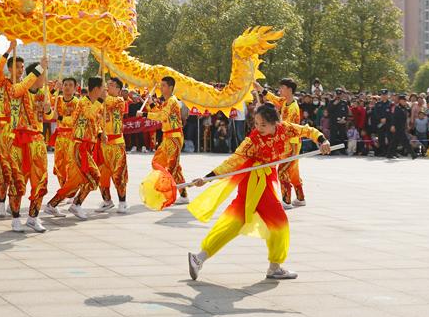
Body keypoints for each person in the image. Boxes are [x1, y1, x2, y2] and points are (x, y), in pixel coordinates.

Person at [187, 104, 331, 281]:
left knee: (235, 222)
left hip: (266, 180)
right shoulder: (252, 141)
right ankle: (275, 267)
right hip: (256, 183)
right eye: (256, 123)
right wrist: (207, 178)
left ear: (275, 123)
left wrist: (322, 141)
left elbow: (307, 131)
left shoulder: (286, 129)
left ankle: (199, 258)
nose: (258, 128)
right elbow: (233, 161)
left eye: (263, 125)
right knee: (279, 222)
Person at [44, 76, 105, 220]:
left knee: (77, 180)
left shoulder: (92, 103)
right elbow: (89, 114)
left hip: (86, 146)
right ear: (96, 89)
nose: (104, 91)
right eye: (102, 88)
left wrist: (101, 133)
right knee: (93, 177)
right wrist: (101, 100)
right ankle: (75, 204)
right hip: (78, 145)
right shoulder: (84, 103)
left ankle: (54, 205)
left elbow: (95, 123)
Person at [6, 60, 52, 232]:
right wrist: (39, 67)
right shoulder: (18, 89)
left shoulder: (44, 92)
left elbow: (49, 116)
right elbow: (17, 90)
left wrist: (48, 110)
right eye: (42, 75)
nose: (44, 79)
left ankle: (33, 217)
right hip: (19, 140)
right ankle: (16, 217)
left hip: (38, 142)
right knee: (17, 180)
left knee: (40, 180)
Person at [255, 78, 304, 209]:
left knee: (283, 170)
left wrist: (293, 150)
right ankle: (300, 198)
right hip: (286, 142)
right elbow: (273, 97)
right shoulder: (284, 102)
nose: (280, 90)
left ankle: (286, 201)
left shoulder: (293, 108)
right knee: (293, 171)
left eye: (282, 88)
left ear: (289, 89)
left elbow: (292, 129)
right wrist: (259, 88)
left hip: (291, 144)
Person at [137, 76, 188, 204]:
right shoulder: (166, 102)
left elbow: (162, 116)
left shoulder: (172, 101)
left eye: (163, 85)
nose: (161, 87)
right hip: (167, 137)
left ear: (170, 87)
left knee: (171, 167)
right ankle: (183, 194)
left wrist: (144, 114)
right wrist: (150, 103)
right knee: (158, 162)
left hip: (175, 137)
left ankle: (166, 193)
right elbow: (159, 112)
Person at [0, 40, 26, 218]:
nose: (20, 70)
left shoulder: (25, 86)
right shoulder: (2, 83)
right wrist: (9, 50)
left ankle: (16, 201)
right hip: (5, 130)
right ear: (10, 68)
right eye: (17, 67)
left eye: (22, 67)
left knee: (18, 168)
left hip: (20, 131)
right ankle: (0, 202)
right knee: (3, 167)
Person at [96, 77, 129, 214]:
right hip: (103, 143)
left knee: (118, 174)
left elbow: (110, 102)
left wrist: (101, 95)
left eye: (111, 85)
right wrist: (98, 133)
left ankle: (123, 202)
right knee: (101, 175)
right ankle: (107, 201)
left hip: (117, 144)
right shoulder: (102, 101)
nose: (108, 87)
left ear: (118, 89)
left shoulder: (119, 101)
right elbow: (96, 119)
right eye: (107, 84)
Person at [50, 77, 80, 188]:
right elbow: (45, 99)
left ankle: (70, 189)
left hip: (72, 137)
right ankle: (63, 189)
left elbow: (74, 120)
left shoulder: (77, 102)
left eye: (70, 85)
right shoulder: (58, 99)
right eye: (65, 84)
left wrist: (60, 117)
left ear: (75, 88)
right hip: (60, 138)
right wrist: (53, 89)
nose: (67, 87)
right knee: (59, 164)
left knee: (71, 165)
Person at [372, 89, 392, 156]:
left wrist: (386, 118)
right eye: (382, 95)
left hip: (388, 123)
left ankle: (389, 152)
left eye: (385, 95)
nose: (384, 96)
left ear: (387, 95)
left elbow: (392, 113)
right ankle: (383, 152)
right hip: (380, 124)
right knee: (381, 138)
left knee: (389, 138)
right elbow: (375, 113)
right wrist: (380, 119)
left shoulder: (391, 104)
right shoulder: (378, 104)